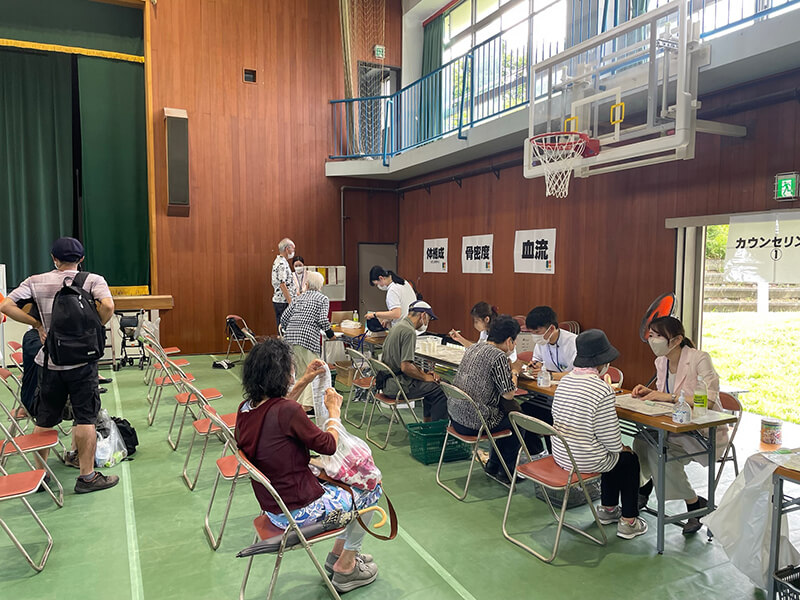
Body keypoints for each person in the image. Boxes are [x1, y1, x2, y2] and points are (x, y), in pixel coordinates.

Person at [235, 339, 381, 593]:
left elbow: (275, 409)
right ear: (282, 375)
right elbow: (328, 445)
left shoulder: (247, 409)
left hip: (275, 507)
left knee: (348, 483)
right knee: (371, 487)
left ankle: (338, 555)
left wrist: (304, 380)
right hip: (299, 511)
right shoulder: (288, 411)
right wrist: (334, 412)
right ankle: (346, 566)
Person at [0, 237, 118, 493]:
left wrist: (37, 324)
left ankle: (41, 475)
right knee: (85, 418)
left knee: (45, 418)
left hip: (51, 362)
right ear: (81, 259)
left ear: (54, 258)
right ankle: (87, 477)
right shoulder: (93, 280)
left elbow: (6, 306)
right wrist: (94, 327)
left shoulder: (35, 281)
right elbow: (108, 305)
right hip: (83, 362)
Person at [631, 316, 728, 535]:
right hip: (673, 427)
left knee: (658, 452)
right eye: (651, 335)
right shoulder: (661, 361)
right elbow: (664, 395)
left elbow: (709, 400)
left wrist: (669, 397)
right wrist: (650, 394)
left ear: (676, 340)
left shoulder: (699, 358)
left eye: (657, 336)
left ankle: (693, 504)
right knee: (641, 441)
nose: (652, 340)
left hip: (702, 432)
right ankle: (646, 487)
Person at [551, 329, 648, 540]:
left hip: (561, 454)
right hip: (584, 460)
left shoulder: (564, 382)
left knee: (611, 457)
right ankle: (629, 521)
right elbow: (612, 442)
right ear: (603, 362)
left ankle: (608, 509)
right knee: (628, 460)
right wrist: (623, 448)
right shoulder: (602, 390)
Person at [450, 315, 522, 485]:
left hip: (456, 418)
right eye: (515, 341)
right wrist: (515, 371)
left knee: (506, 414)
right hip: (475, 423)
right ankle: (506, 472)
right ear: (509, 341)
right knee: (517, 421)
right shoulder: (498, 356)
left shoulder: (474, 347)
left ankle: (493, 465)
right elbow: (509, 394)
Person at [378, 300, 448, 422]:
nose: (427, 323)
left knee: (431, 386)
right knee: (441, 387)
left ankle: (428, 423)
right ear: (423, 315)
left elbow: (407, 362)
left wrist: (424, 374)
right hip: (397, 386)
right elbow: (406, 367)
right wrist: (425, 378)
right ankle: (436, 429)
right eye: (429, 319)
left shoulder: (398, 327)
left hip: (386, 383)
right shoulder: (409, 332)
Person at [280, 271, 335, 412]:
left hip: (290, 338)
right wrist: (331, 335)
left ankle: (297, 403)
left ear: (307, 284)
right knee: (312, 372)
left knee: (298, 373)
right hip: (308, 339)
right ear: (320, 286)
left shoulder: (299, 298)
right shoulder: (322, 299)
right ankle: (307, 406)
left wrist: (290, 329)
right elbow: (322, 319)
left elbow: (284, 317)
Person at [525, 306, 577, 380]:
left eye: (537, 332)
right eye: (532, 332)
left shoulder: (574, 343)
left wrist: (549, 375)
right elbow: (538, 360)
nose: (535, 336)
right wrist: (536, 366)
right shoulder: (542, 340)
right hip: (548, 382)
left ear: (551, 328)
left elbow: (578, 374)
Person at [271, 238, 298, 327]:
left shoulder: (282, 262)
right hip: (283, 302)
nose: (294, 251)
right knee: (284, 329)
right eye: (293, 248)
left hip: (284, 301)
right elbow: (282, 284)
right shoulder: (281, 264)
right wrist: (290, 302)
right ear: (287, 249)